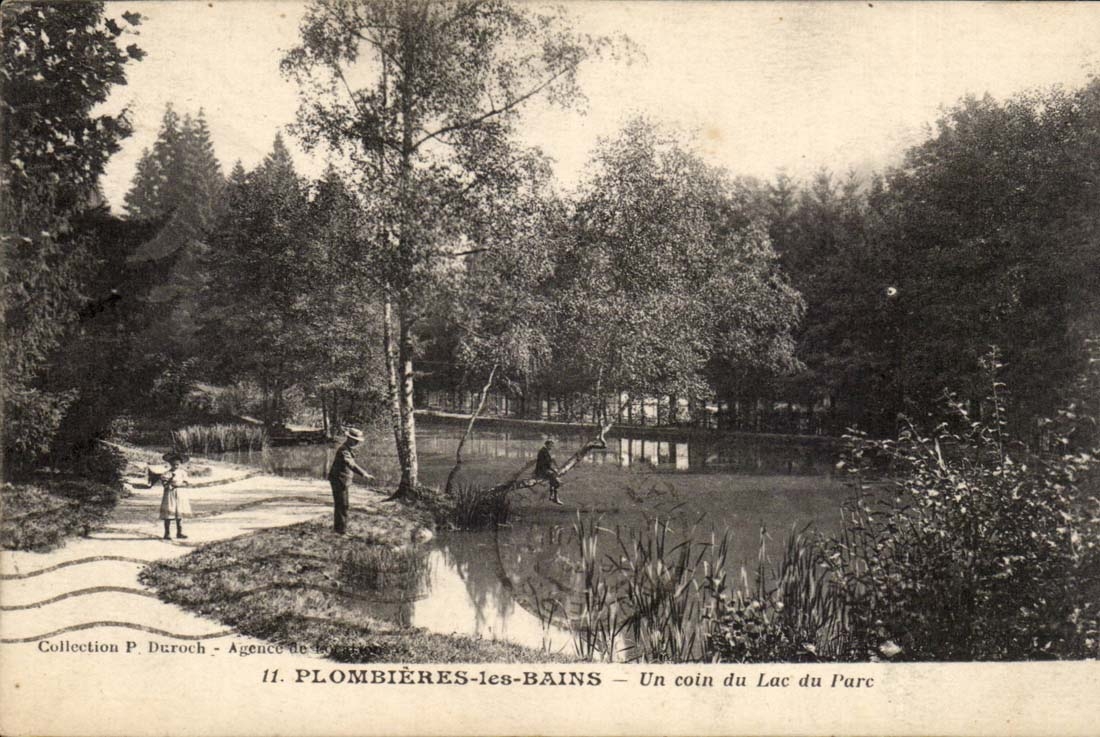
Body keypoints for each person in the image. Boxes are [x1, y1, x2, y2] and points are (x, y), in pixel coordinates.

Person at [328, 427, 375, 534]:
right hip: (339, 480)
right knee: (342, 505)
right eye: (355, 440)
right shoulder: (344, 450)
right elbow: (351, 464)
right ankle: (340, 531)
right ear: (349, 438)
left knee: (343, 505)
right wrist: (364, 474)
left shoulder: (347, 449)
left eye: (358, 441)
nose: (357, 443)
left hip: (342, 480)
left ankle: (340, 529)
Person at [158, 452, 191, 540]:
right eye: (173, 464)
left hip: (180, 493)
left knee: (179, 512)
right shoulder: (166, 473)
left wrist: (178, 485)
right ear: (170, 464)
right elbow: (164, 484)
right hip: (170, 494)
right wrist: (169, 482)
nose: (175, 466)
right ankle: (167, 533)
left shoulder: (183, 473)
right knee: (169, 512)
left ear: (180, 464)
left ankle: (179, 532)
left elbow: (186, 483)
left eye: (177, 464)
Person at [535, 439, 564, 505]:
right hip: (541, 470)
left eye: (552, 446)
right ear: (547, 445)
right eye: (551, 446)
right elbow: (543, 464)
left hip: (544, 469)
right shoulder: (542, 451)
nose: (551, 447)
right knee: (555, 478)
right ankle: (554, 496)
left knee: (554, 477)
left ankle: (553, 496)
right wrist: (552, 467)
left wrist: (553, 469)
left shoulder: (545, 451)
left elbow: (548, 464)